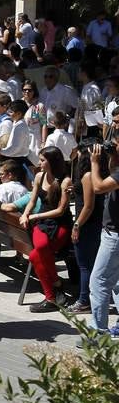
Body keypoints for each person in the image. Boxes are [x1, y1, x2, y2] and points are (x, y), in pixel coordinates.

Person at [20, 147, 72, 313]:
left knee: (36, 254)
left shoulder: (65, 181)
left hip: (60, 224)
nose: (39, 163)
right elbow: (32, 200)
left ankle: (52, 294)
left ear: (52, 161)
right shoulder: (38, 176)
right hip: (42, 223)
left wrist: (35, 217)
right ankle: (54, 288)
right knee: (40, 249)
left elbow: (61, 210)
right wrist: (26, 213)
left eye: (42, 160)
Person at [66, 143, 104, 314]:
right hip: (92, 223)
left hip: (87, 224)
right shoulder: (95, 174)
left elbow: (88, 206)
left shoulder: (88, 175)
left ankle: (83, 301)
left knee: (85, 265)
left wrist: (76, 225)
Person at [87, 137, 119, 337]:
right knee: (116, 283)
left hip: (115, 235)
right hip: (113, 232)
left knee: (98, 281)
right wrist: (113, 155)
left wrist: (94, 162)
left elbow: (98, 187)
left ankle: (98, 333)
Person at [21, 80, 45, 165]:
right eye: (24, 90)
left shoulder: (39, 106)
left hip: (34, 140)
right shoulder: (18, 104)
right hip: (21, 138)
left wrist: (43, 142)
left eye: (30, 90)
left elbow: (44, 124)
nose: (27, 92)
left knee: (35, 164)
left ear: (34, 91)